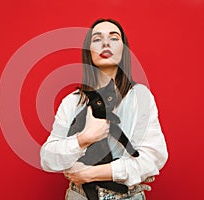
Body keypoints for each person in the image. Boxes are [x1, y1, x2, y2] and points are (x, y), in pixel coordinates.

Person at [40, 18, 168, 200]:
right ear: (88, 51)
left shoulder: (140, 97)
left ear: (124, 50)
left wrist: (90, 174)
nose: (106, 43)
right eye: (97, 39)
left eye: (114, 38)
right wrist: (84, 139)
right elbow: (48, 159)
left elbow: (153, 157)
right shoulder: (73, 102)